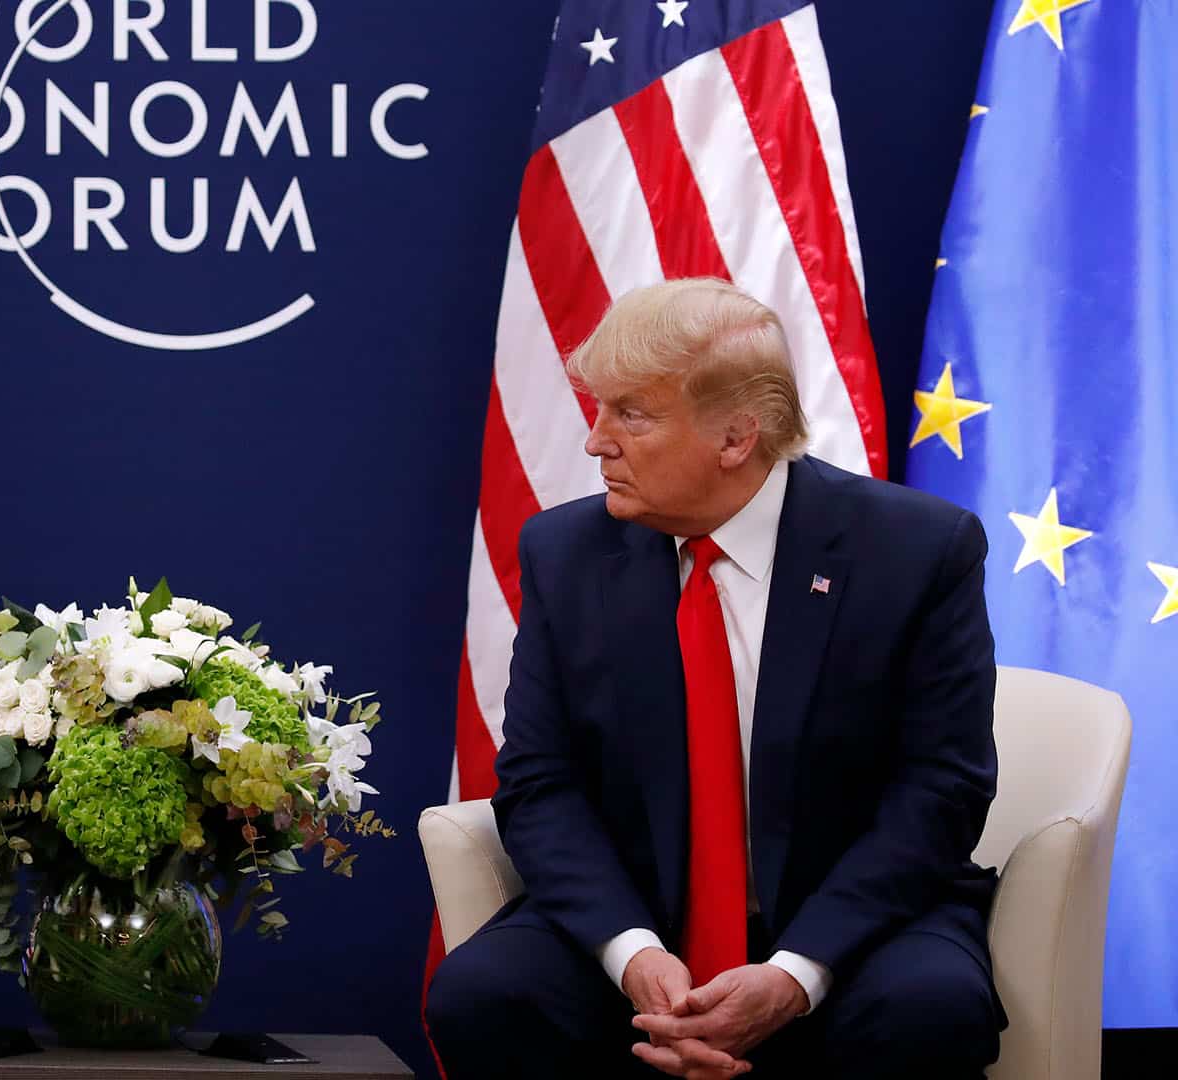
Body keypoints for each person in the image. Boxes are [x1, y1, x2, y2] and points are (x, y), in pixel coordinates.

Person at [425, 279, 1005, 1079]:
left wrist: (795, 975)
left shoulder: (915, 553)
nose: (596, 442)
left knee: (929, 1010)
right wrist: (633, 954)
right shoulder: (566, 555)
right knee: (485, 994)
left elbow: (941, 789)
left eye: (631, 413)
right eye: (600, 409)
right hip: (643, 917)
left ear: (737, 437)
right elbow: (538, 784)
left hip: (852, 923)